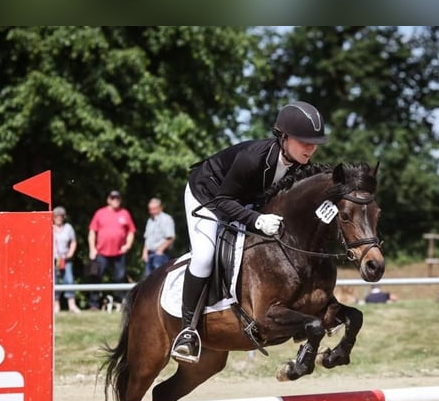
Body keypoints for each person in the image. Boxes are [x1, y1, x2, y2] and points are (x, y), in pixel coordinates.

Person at [171, 100, 328, 363]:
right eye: (304, 141)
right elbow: (223, 201)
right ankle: (187, 331)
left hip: (244, 200)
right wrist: (256, 220)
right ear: (285, 137)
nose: (311, 148)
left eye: (315, 143)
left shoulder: (301, 166)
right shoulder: (253, 159)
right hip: (208, 196)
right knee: (204, 256)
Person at [87, 190, 136, 310]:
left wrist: (128, 245)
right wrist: (92, 249)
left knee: (120, 277)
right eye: (113, 198)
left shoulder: (124, 213)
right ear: (108, 199)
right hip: (101, 252)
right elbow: (92, 231)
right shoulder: (100, 213)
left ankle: (121, 303)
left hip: (119, 252)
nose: (115, 200)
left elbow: (131, 231)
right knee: (96, 276)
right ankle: (93, 304)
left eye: (117, 198)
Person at [52, 206, 81, 314]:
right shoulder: (50, 227)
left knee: (69, 280)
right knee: (54, 281)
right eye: (56, 216)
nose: (58, 218)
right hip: (53, 259)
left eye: (61, 216)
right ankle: (56, 305)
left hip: (66, 259)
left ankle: (71, 304)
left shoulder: (68, 228)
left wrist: (70, 253)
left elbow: (73, 241)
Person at [141, 197, 176, 279]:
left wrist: (160, 250)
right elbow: (147, 238)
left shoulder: (166, 219)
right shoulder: (150, 220)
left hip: (161, 255)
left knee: (159, 279)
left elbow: (170, 237)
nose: (151, 212)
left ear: (160, 208)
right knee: (148, 280)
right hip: (150, 254)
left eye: (154, 209)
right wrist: (144, 251)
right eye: (150, 209)